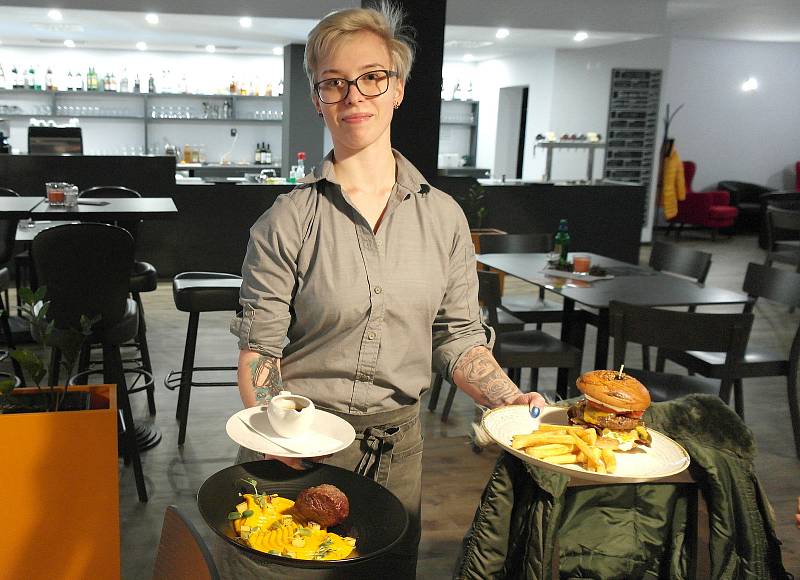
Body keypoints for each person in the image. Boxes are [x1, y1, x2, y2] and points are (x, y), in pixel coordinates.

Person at [225, 3, 545, 578]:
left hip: (398, 452)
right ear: (317, 97)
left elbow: (457, 337)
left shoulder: (444, 217)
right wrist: (279, 434)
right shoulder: (286, 220)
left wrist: (509, 400)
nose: (354, 96)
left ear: (397, 88)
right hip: (301, 445)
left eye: (372, 77)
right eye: (334, 83)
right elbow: (260, 349)